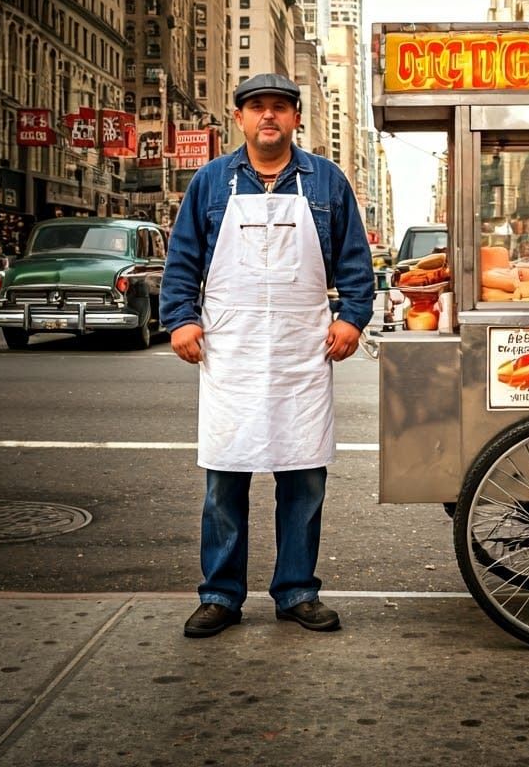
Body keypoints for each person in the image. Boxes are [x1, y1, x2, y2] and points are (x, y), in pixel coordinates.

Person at [160, 72, 375, 639]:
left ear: (296, 118)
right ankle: (220, 595)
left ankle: (297, 590)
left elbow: (356, 261)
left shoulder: (327, 182)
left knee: (303, 476)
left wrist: (351, 317)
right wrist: (181, 319)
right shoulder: (210, 182)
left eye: (280, 107)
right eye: (257, 107)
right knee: (225, 478)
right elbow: (182, 258)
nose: (268, 117)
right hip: (230, 348)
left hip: (301, 349)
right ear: (240, 119)